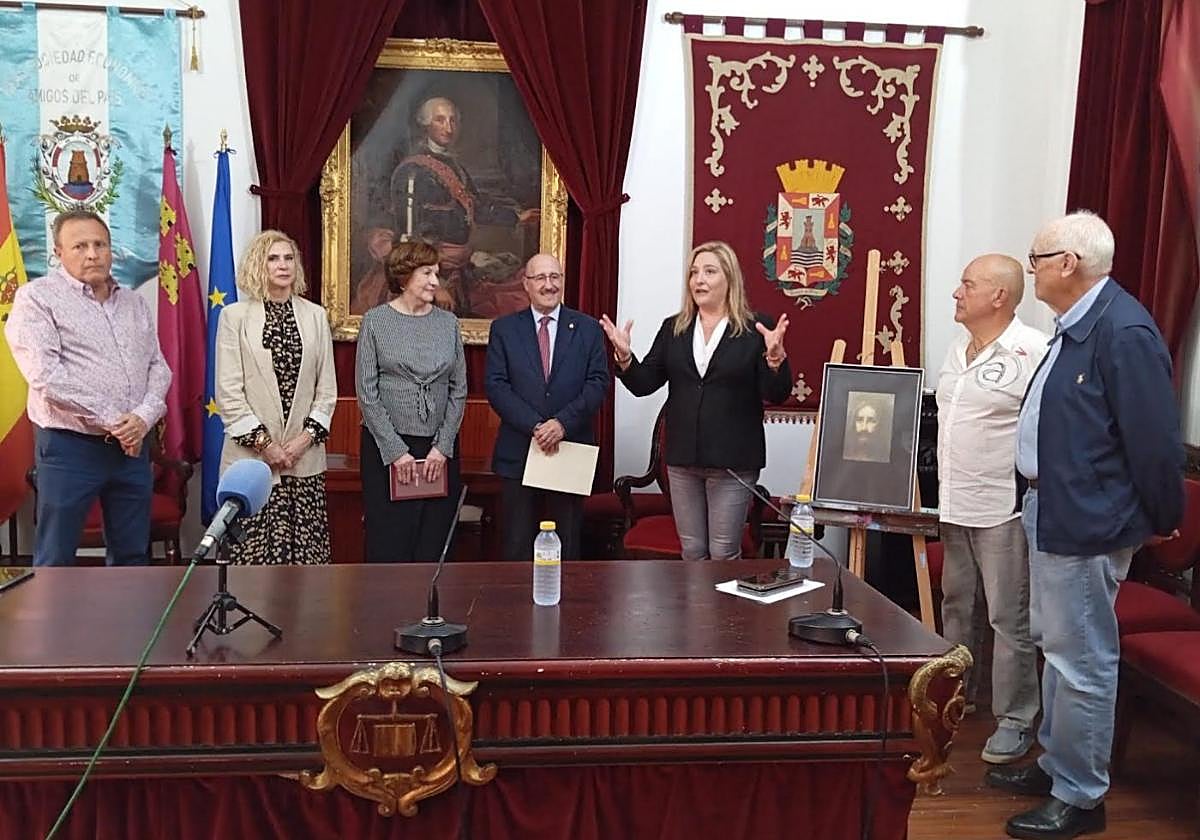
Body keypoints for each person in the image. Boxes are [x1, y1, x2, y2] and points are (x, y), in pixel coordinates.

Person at [986, 212, 1185, 840]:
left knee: (1081, 659)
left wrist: (1164, 517)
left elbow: (1154, 440)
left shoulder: (1123, 331)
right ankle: (1057, 763)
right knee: (1056, 647)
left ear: (1068, 263)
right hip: (1053, 508)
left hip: (1089, 518)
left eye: (1037, 259)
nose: (1032, 270)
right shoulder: (1076, 327)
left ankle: (1080, 795)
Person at [601, 240, 791, 561]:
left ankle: (723, 599)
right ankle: (697, 599)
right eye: (694, 272)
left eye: (709, 271)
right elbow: (644, 383)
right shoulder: (674, 328)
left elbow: (777, 393)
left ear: (729, 279)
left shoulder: (755, 329)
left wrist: (774, 361)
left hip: (733, 460)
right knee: (692, 552)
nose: (699, 280)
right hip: (683, 459)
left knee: (723, 553)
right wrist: (625, 357)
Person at [5, 209, 171, 566]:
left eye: (100, 244)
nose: (92, 254)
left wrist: (142, 418)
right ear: (58, 252)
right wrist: (116, 420)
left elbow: (158, 367)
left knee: (132, 554)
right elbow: (46, 376)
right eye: (79, 246)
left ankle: (127, 607)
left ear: (111, 249)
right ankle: (51, 609)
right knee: (56, 557)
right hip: (70, 449)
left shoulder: (134, 303)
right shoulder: (37, 298)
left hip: (132, 450)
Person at [935, 254, 1048, 766]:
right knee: (957, 607)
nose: (957, 293)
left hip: (1003, 507)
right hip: (954, 502)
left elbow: (1048, 428)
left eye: (967, 284)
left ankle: (1016, 719)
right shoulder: (958, 348)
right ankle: (956, 697)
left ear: (999, 296)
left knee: (1008, 617)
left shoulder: (1033, 350)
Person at [214, 231, 337, 565]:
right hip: (252, 464)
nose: (283, 265)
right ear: (258, 265)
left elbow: (327, 391)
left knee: (306, 567)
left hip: (303, 461)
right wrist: (266, 446)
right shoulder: (234, 317)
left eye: (288, 258)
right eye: (273, 258)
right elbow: (228, 393)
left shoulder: (315, 315)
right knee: (252, 569)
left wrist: (301, 443)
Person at [485, 253, 609, 560]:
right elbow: (497, 386)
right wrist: (536, 426)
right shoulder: (504, 329)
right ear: (526, 284)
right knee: (516, 544)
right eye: (540, 278)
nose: (549, 285)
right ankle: (516, 595)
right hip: (520, 449)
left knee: (566, 544)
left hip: (569, 448)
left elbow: (598, 383)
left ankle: (564, 594)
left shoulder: (588, 328)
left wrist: (562, 423)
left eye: (555, 277)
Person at [366, 96, 538, 315]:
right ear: (426, 125)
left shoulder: (455, 166)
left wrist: (517, 217)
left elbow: (475, 206)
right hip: (423, 273)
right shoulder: (412, 172)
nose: (448, 127)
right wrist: (434, 284)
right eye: (440, 120)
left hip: (456, 267)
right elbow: (408, 240)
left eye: (452, 120)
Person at [357, 239, 467, 562]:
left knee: (434, 544)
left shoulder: (448, 323)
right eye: (426, 273)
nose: (435, 281)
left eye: (436, 273)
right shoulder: (375, 321)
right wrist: (396, 452)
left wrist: (442, 447)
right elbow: (367, 392)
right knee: (389, 544)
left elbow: (459, 389)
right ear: (404, 276)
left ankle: (431, 600)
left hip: (438, 452)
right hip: (386, 450)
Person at [843, 392, 892, 463]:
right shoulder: (846, 454)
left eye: (871, 421)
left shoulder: (884, 457)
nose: (864, 428)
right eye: (859, 420)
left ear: (879, 425)